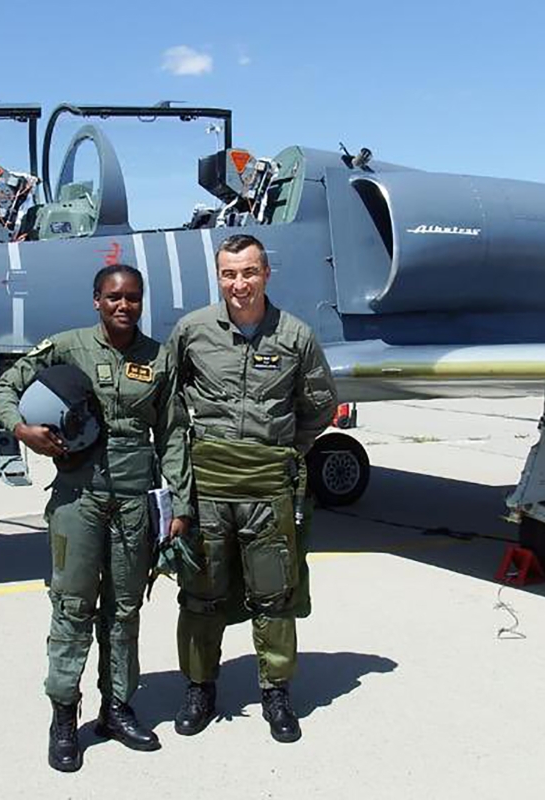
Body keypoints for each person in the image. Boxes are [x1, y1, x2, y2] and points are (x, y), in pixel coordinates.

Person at [0, 264, 192, 773]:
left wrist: (180, 506)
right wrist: (22, 430)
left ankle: (117, 708)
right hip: (79, 498)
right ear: (96, 300)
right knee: (73, 606)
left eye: (133, 298)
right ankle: (63, 716)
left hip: (134, 500)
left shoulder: (159, 358)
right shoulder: (67, 346)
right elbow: (2, 390)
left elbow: (172, 435)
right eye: (114, 297)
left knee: (125, 610)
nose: (124, 306)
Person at [167, 233, 338, 743]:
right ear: (218, 276)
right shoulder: (192, 331)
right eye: (229, 274)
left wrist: (282, 451)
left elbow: (320, 405)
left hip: (268, 488)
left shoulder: (295, 336)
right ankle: (200, 688)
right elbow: (169, 401)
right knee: (201, 592)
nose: (239, 284)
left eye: (248, 272)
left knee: (274, 593)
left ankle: (276, 691)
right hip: (209, 486)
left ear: (266, 274)